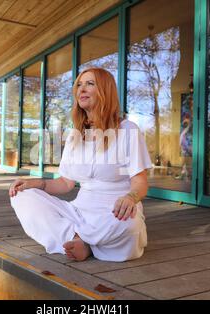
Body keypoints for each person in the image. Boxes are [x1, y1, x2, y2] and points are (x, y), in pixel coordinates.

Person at [9, 67, 152, 262]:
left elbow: (140, 182)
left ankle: (83, 242)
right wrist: (37, 184)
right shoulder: (75, 135)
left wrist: (130, 198)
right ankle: (78, 239)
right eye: (79, 85)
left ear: (105, 91)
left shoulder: (127, 129)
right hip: (78, 211)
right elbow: (65, 182)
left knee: (130, 226)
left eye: (90, 84)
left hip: (114, 213)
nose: (81, 89)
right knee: (21, 195)